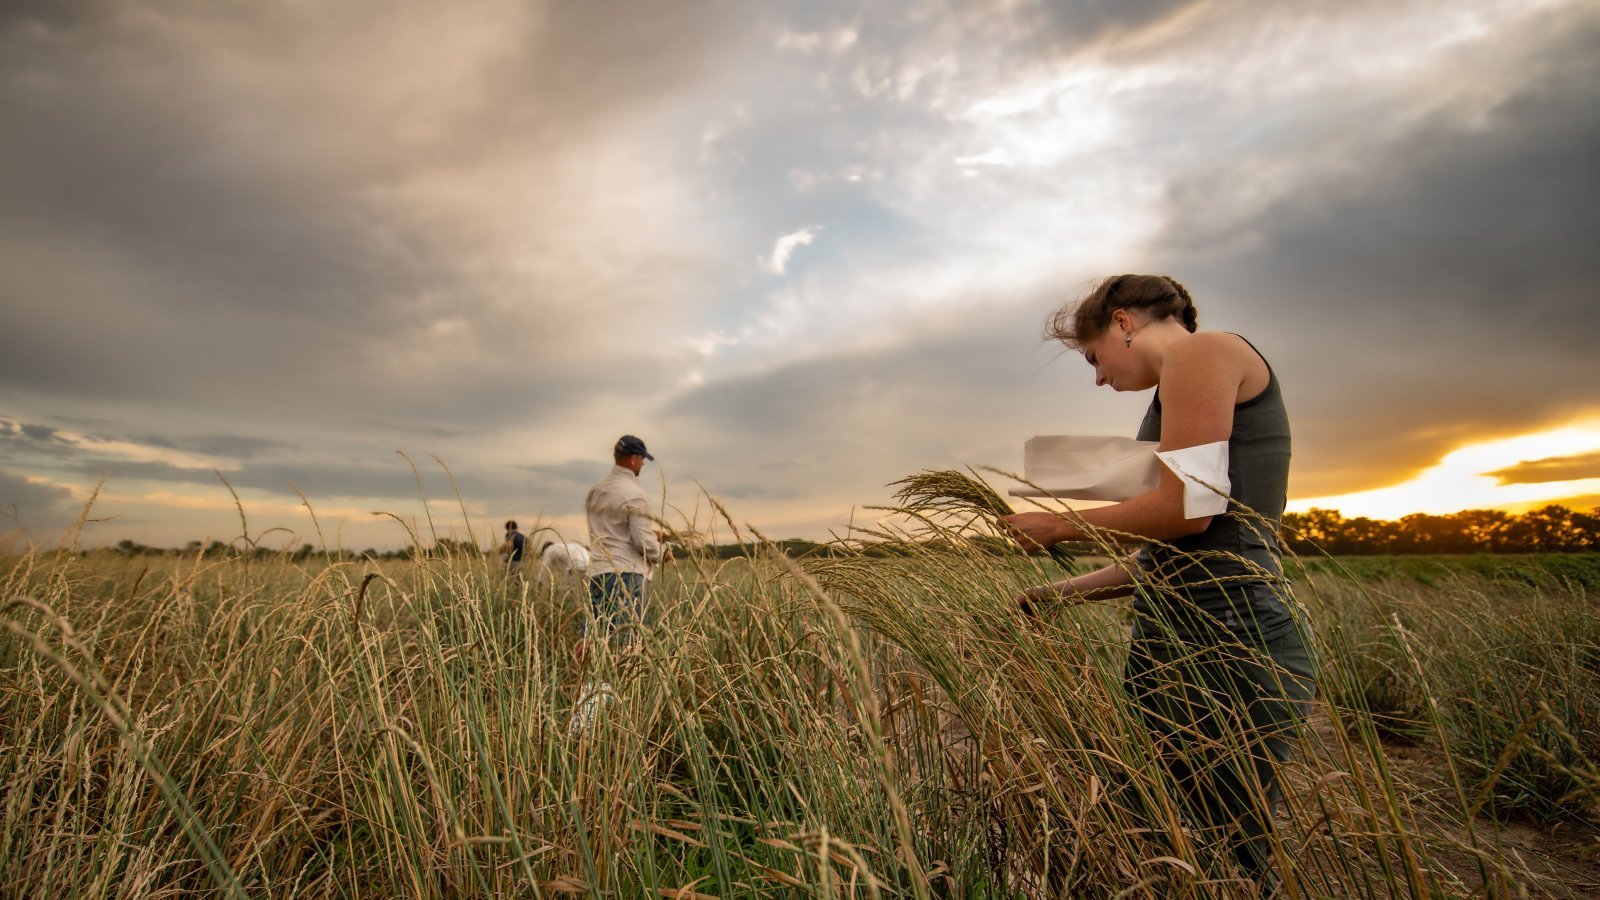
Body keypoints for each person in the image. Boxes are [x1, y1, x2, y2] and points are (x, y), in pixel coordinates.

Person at [1000, 274, 1318, 896]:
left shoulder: (1204, 352)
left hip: (1231, 639)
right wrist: (1051, 597)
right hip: (1180, 635)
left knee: (1226, 856)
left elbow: (1188, 510)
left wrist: (1058, 526)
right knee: (1176, 845)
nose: (1097, 378)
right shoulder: (1175, 389)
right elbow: (1167, 557)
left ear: (1123, 322)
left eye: (1093, 358)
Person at [584, 434, 664, 646]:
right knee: (625, 642)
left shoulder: (596, 491)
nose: (643, 463)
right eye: (642, 459)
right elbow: (642, 543)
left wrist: (651, 532)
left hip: (597, 571)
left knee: (595, 638)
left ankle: (590, 680)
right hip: (625, 574)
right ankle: (618, 680)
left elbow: (611, 527)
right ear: (633, 459)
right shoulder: (635, 495)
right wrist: (662, 553)